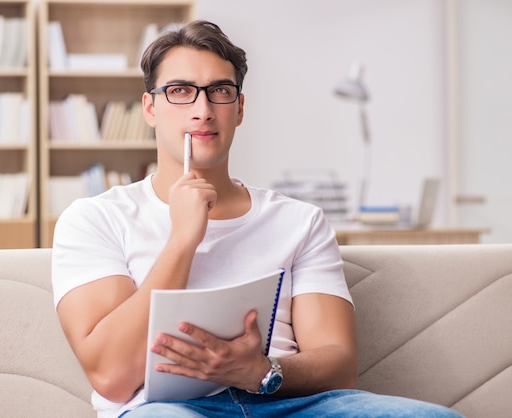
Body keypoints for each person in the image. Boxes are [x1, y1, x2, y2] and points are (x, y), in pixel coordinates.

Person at [51, 20, 463, 418]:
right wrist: (182, 240)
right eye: (180, 91)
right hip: (167, 409)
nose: (203, 109)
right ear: (150, 108)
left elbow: (340, 366)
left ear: (239, 108)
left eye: (220, 91)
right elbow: (111, 376)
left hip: (290, 403)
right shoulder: (95, 219)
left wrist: (262, 371)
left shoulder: (301, 221)